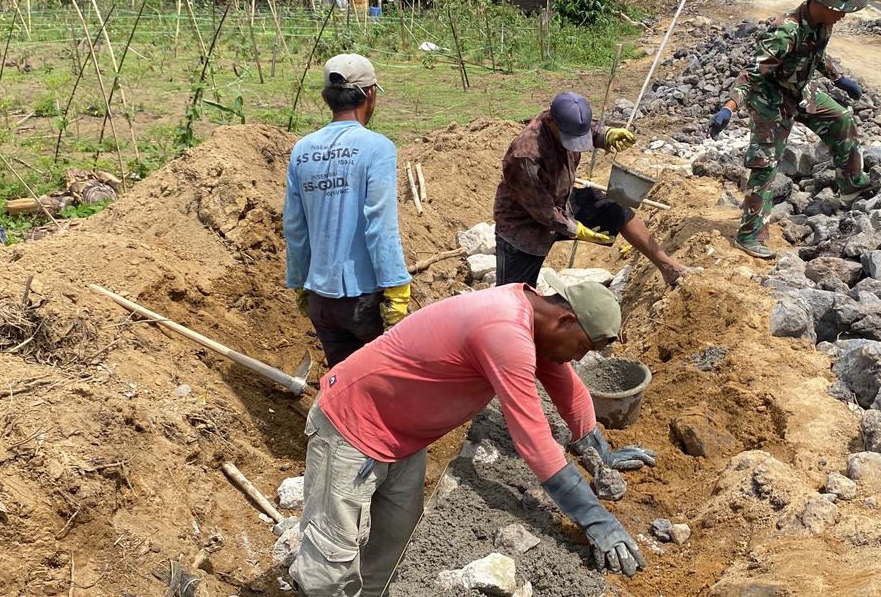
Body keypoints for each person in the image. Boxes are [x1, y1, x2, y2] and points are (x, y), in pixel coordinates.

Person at [288, 273, 655, 596]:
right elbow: (534, 440)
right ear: (566, 319)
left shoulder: (536, 321)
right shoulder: (504, 330)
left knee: (393, 547)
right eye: (582, 348)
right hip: (352, 429)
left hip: (404, 439)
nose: (577, 359)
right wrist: (597, 520)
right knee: (331, 561)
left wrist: (598, 452)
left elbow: (567, 388)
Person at [709, 0, 872, 259]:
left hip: (800, 90)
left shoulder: (823, 24)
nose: (844, 15)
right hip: (770, 97)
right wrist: (728, 107)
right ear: (823, 2)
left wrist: (838, 79)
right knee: (766, 162)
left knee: (841, 119)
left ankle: (852, 187)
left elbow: (816, 55)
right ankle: (749, 235)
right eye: (840, 9)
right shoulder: (786, 31)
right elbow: (751, 73)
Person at [283, 53, 411, 369]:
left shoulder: (302, 150)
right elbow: (380, 224)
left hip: (321, 302)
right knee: (384, 383)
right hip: (364, 303)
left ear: (327, 97)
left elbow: (295, 227)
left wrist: (299, 281)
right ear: (370, 94)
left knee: (344, 383)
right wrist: (396, 287)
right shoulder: (378, 148)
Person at [493, 91, 692, 287]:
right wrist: (575, 229)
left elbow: (586, 130)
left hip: (562, 201)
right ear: (552, 122)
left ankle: (669, 268)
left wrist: (607, 134)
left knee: (616, 210)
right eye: (569, 138)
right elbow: (542, 209)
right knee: (514, 295)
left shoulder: (565, 118)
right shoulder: (525, 154)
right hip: (524, 224)